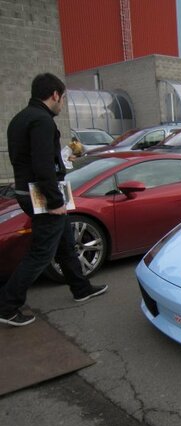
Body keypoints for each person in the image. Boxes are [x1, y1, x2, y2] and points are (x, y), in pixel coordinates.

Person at [0, 73, 108, 327]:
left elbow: (32, 159)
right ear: (55, 95)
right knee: (41, 252)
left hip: (30, 190)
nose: (63, 105)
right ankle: (7, 305)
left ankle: (81, 288)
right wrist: (55, 200)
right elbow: (41, 165)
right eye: (63, 99)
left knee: (65, 241)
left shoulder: (20, 119)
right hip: (43, 194)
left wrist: (62, 160)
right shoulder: (42, 120)